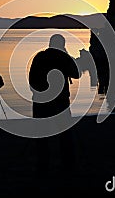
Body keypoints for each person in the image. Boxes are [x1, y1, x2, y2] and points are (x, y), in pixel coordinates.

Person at [28, 34, 81, 175]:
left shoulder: (39, 57)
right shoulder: (63, 58)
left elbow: (31, 80)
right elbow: (77, 74)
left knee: (42, 136)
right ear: (62, 44)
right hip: (61, 102)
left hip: (41, 101)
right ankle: (68, 165)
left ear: (50, 43)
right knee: (65, 134)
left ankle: (43, 166)